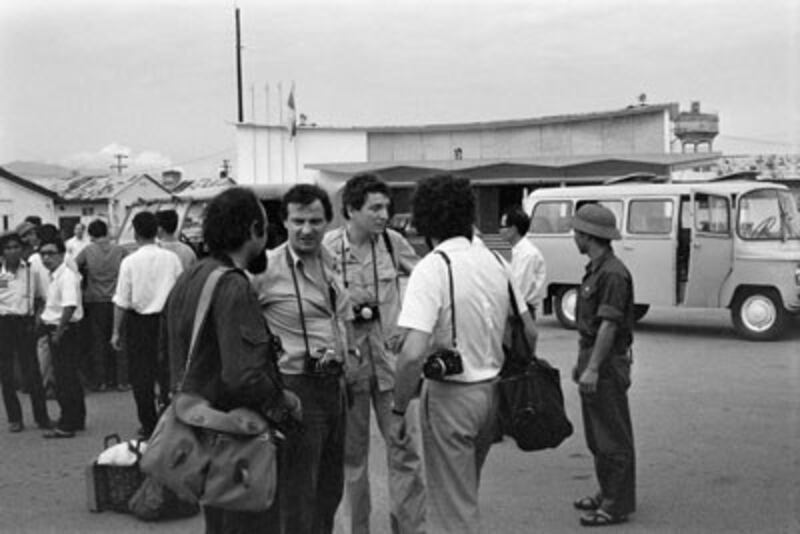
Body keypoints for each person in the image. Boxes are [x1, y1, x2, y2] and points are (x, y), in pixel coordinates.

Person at [390, 174, 537, 534]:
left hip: (451, 397)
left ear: (425, 221)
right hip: (492, 393)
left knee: (452, 511)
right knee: (465, 492)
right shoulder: (496, 260)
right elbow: (529, 331)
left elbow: (412, 354)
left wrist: (398, 407)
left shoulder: (433, 267)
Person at [161, 186, 301, 533]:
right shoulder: (233, 286)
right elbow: (243, 375)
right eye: (265, 228)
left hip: (202, 432)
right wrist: (283, 402)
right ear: (254, 229)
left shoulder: (191, 276)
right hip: (237, 443)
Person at [323, 173, 425, 534]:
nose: (384, 215)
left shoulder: (393, 244)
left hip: (390, 366)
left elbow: (425, 278)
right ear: (351, 210)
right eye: (375, 208)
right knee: (352, 459)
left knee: (404, 451)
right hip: (351, 367)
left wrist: (411, 326)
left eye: (386, 207)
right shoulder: (328, 248)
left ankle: (409, 529)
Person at [251, 183, 350, 534]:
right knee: (298, 493)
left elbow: (340, 318)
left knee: (330, 488)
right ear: (285, 223)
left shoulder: (332, 260)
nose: (307, 229)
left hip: (334, 386)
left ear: (328, 222)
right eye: (298, 221)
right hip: (295, 389)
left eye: (315, 221)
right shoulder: (266, 269)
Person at [570, 203, 636, 527]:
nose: (574, 237)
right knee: (598, 435)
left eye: (577, 232)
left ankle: (616, 503)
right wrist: (583, 362)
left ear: (588, 235)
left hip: (607, 362)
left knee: (612, 435)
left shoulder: (612, 273)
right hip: (594, 355)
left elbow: (608, 326)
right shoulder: (597, 269)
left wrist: (593, 367)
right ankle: (607, 490)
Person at [111, 211, 182, 438]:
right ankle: (171, 420)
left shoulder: (129, 262)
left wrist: (115, 332)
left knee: (141, 377)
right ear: (157, 230)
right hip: (167, 321)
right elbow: (180, 293)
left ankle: (149, 424)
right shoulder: (172, 259)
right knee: (168, 373)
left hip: (139, 323)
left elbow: (121, 300)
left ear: (135, 232)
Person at [0, 230, 52, 432]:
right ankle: (15, 419)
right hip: (4, 323)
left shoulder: (31, 272)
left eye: (16, 247)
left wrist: (38, 317)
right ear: (3, 252)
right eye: (8, 248)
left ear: (22, 250)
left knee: (32, 371)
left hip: (25, 322)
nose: (12, 251)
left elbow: (41, 298)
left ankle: (42, 417)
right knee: (6, 373)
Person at [38, 236, 86, 438]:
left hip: (63, 330)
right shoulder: (55, 276)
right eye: (43, 254)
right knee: (69, 376)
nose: (46, 258)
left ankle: (67, 424)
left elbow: (69, 306)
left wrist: (59, 331)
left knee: (64, 379)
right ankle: (76, 418)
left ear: (61, 254)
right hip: (59, 328)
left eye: (51, 253)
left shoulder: (66, 276)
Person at [75, 219, 129, 391]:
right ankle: (122, 380)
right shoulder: (120, 250)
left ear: (91, 234)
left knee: (97, 342)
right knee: (118, 338)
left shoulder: (87, 251)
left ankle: (101, 381)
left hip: (95, 300)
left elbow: (73, 267)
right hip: (117, 299)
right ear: (106, 232)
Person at [499, 206, 546, 318]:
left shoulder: (527, 254)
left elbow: (518, 291)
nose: (499, 230)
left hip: (520, 314)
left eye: (502, 226)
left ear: (513, 229)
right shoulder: (516, 251)